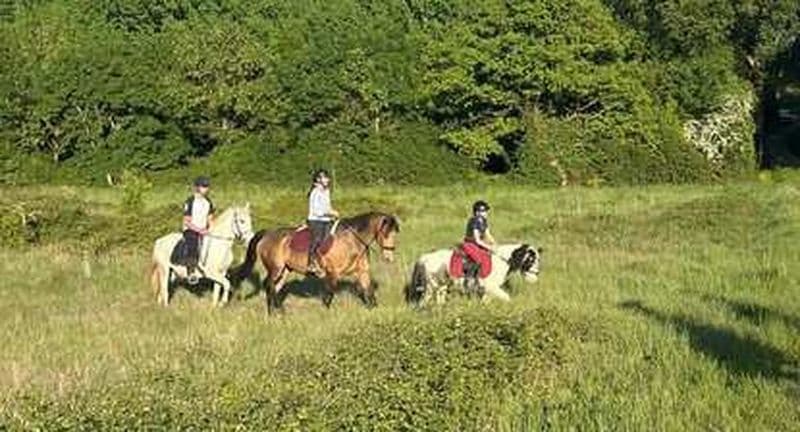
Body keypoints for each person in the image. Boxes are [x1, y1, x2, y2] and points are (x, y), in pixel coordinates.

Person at [182, 176, 215, 284]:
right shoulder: (190, 201)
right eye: (204, 186)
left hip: (204, 230)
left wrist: (210, 229)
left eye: (207, 186)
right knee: (193, 244)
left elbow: (210, 219)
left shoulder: (208, 202)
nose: (206, 189)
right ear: (197, 188)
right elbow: (187, 221)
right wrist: (199, 230)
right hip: (191, 229)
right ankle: (191, 272)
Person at [307, 169, 339, 276]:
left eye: (327, 177)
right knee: (318, 239)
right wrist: (330, 213)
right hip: (315, 220)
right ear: (318, 179)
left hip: (326, 220)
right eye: (325, 178)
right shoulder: (315, 192)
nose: (328, 180)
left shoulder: (327, 191)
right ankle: (311, 263)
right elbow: (317, 211)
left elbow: (327, 206)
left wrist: (332, 213)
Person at [462, 200, 495, 292]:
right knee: (478, 259)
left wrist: (494, 244)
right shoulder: (474, 221)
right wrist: (488, 247)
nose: (486, 213)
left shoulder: (484, 221)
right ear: (477, 212)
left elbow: (488, 235)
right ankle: (471, 279)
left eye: (485, 211)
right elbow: (477, 240)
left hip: (478, 244)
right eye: (483, 211)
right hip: (470, 244)